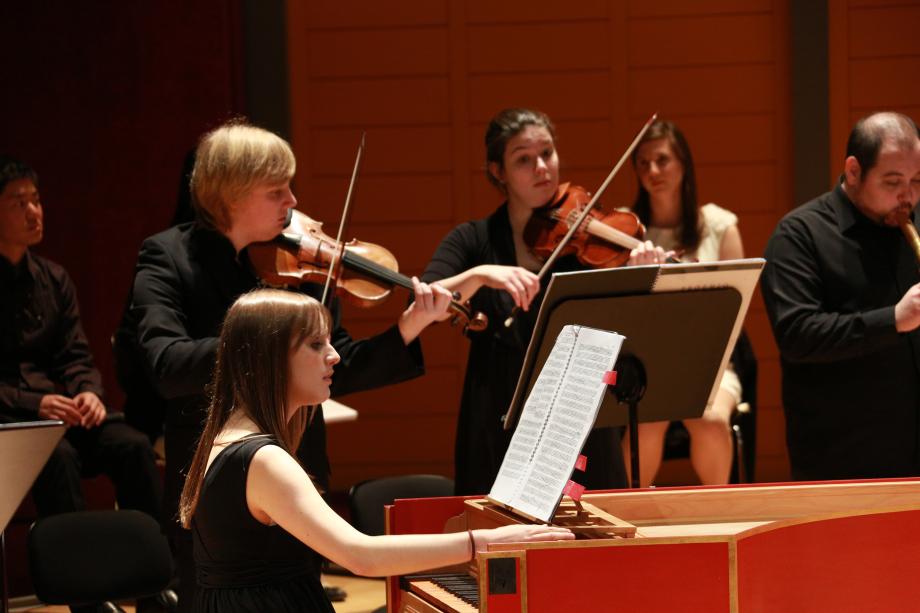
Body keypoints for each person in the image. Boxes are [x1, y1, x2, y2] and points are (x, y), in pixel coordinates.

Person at [123, 120, 452, 611]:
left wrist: (407, 328)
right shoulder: (168, 257)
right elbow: (166, 365)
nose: (293, 202)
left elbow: (334, 366)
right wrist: (265, 337)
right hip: (222, 482)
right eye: (277, 191)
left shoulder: (283, 265)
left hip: (296, 461)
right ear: (231, 195)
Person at [178, 289, 572, 612]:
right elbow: (360, 556)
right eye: (316, 345)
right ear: (270, 358)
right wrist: (482, 543)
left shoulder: (232, 436)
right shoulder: (263, 460)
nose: (334, 355)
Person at [421, 108, 627, 495]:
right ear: (498, 172)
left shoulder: (588, 240)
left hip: (580, 409)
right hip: (500, 413)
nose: (542, 167)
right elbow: (430, 301)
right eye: (523, 159)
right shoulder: (473, 240)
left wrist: (644, 264)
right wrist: (480, 275)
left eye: (547, 153)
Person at [0, 156, 164, 613]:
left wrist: (89, 392)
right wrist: (36, 403)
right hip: (12, 423)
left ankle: (155, 586)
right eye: (19, 203)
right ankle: (86, 597)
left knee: (131, 445)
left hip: (62, 413)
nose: (35, 212)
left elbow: (76, 354)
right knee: (59, 456)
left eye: (36, 200)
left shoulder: (53, 278)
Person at [762, 111, 920, 480]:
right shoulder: (799, 235)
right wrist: (894, 318)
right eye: (893, 181)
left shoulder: (912, 217)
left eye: (916, 180)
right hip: (843, 459)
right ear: (853, 171)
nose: (907, 196)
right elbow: (797, 335)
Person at [620, 120, 745, 487]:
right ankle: (630, 518)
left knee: (709, 420)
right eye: (642, 164)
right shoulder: (626, 232)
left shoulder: (720, 225)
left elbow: (733, 310)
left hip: (710, 363)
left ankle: (718, 513)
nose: (652, 172)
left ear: (683, 164)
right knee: (646, 421)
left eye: (662, 160)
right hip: (647, 366)